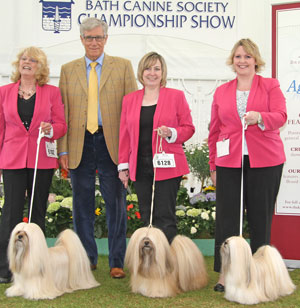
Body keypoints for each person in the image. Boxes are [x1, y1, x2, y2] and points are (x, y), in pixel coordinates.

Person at [57, 17, 137, 279]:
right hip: (79, 143)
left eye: (99, 37)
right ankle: (87, 258)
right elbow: (62, 112)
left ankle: (116, 261)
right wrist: (63, 150)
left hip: (112, 144)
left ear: (106, 38)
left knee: (116, 203)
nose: (94, 42)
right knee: (82, 205)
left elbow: (131, 113)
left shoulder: (123, 67)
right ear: (81, 39)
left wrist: (128, 152)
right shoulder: (68, 69)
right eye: (89, 37)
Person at [208, 38, 287, 292]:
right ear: (233, 61)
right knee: (227, 219)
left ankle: (260, 275)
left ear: (256, 61)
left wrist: (260, 117)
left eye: (247, 57)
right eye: (238, 57)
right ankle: (224, 274)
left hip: (265, 160)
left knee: (259, 219)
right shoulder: (222, 91)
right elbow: (214, 130)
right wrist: (213, 165)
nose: (242, 61)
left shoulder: (270, 85)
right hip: (229, 161)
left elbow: (281, 116)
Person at [0, 46, 67, 283]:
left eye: (33, 60)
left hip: (41, 159)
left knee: (37, 210)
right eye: (24, 59)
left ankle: (36, 265)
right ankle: (6, 268)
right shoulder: (4, 92)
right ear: (18, 64)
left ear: (40, 67)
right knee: (11, 212)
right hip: (12, 158)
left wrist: (52, 129)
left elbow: (61, 125)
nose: (27, 62)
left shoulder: (51, 92)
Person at [118, 52, 195, 243]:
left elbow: (189, 128)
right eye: (148, 68)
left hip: (167, 166)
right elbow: (125, 135)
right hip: (140, 166)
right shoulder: (130, 99)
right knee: (146, 216)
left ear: (163, 72)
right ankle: (151, 266)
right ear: (141, 72)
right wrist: (123, 166)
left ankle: (170, 264)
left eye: (156, 68)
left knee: (165, 217)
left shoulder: (176, 96)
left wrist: (171, 133)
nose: (152, 73)